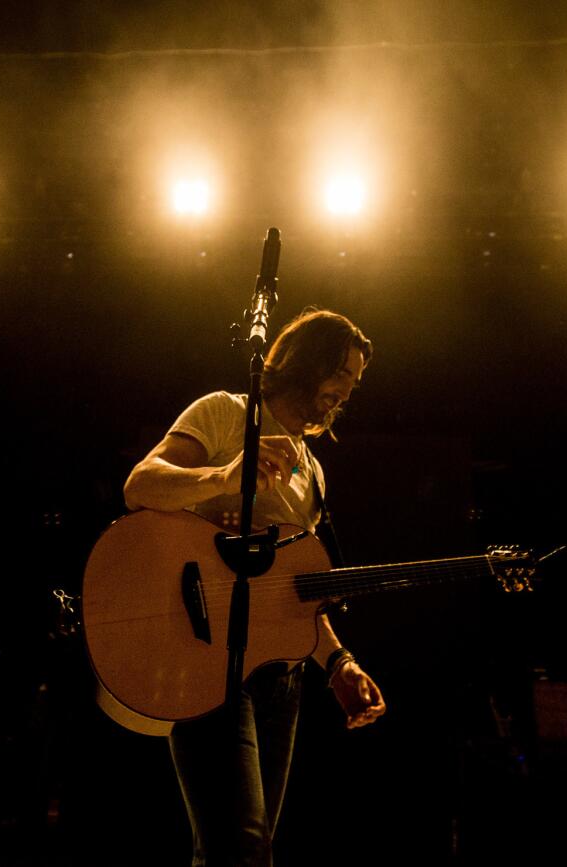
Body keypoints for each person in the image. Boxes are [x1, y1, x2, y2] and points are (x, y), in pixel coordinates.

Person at [122, 308, 386, 866]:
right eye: (341, 373)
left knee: (251, 850)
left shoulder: (313, 473)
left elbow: (292, 595)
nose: (345, 392)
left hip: (280, 681)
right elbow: (141, 484)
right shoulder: (225, 414)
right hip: (206, 656)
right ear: (306, 359)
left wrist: (339, 663)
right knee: (238, 850)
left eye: (354, 383)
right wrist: (223, 477)